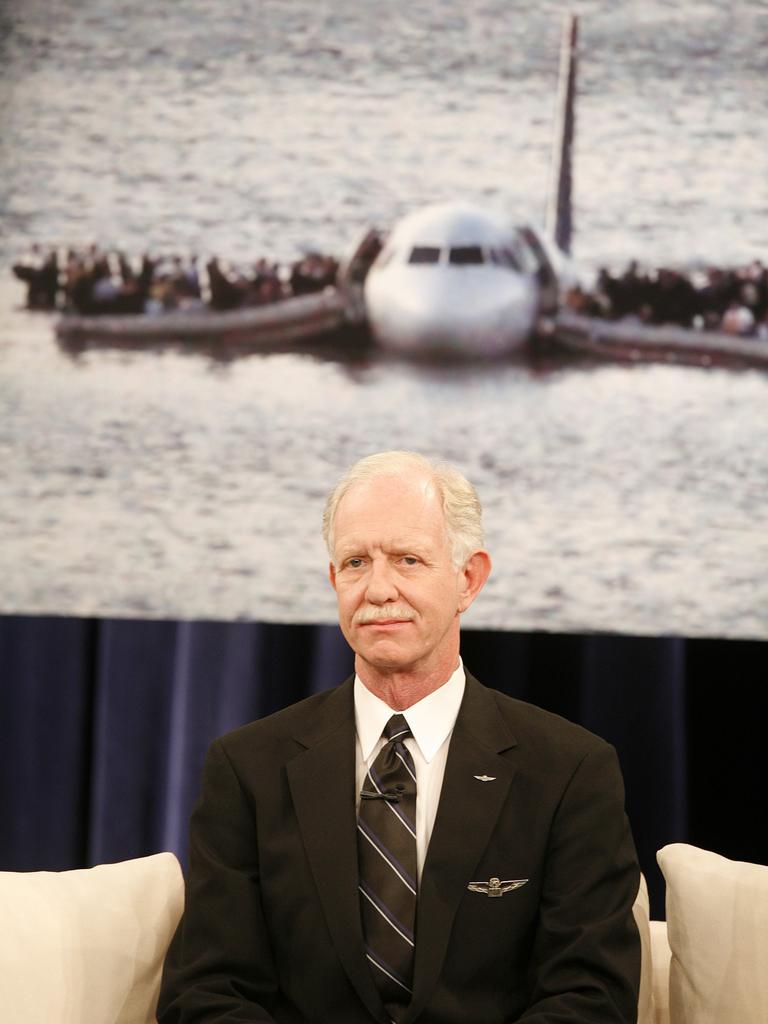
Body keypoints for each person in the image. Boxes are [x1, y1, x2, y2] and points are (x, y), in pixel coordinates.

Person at [158, 450, 641, 1023]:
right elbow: (207, 991)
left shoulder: (569, 771)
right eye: (356, 562)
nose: (378, 589)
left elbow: (591, 996)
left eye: (408, 560)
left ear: (468, 579)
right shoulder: (247, 768)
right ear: (334, 579)